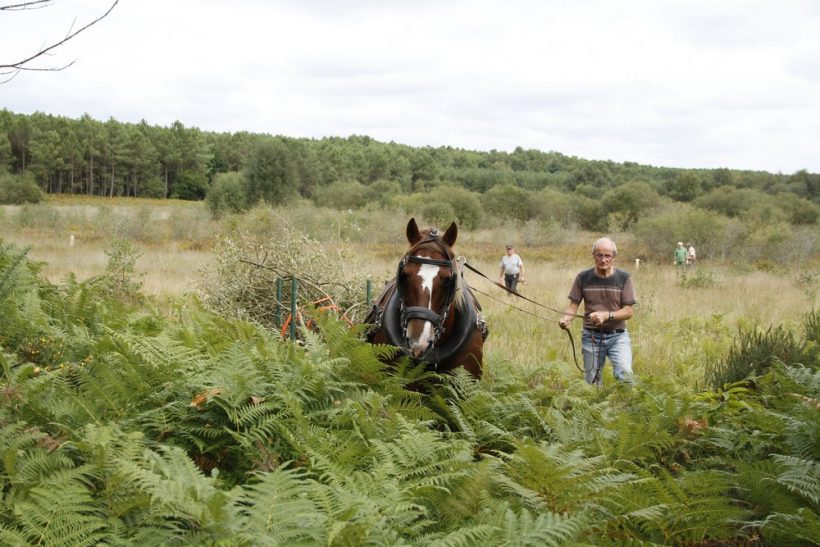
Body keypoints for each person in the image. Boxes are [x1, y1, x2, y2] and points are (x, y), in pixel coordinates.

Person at [559, 237, 637, 385]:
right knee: (592, 382)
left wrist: (607, 316)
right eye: (599, 255)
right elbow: (573, 306)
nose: (603, 259)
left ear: (614, 257)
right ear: (594, 256)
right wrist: (566, 319)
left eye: (607, 255)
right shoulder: (583, 277)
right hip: (591, 337)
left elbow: (628, 312)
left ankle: (628, 406)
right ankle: (595, 407)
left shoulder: (624, 278)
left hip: (618, 337)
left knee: (625, 374)